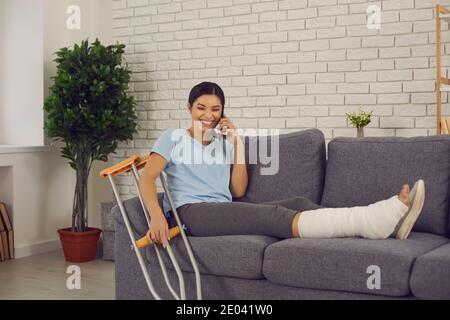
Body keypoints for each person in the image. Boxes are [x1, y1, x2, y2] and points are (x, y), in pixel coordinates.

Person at [139, 82, 425, 248]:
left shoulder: (223, 144)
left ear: (222, 112)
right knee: (272, 215)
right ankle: (372, 222)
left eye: (215, 109)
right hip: (191, 214)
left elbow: (237, 190)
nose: (208, 115)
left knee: (299, 201)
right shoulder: (173, 138)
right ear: (189, 108)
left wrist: (236, 141)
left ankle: (378, 222)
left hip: (221, 208)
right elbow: (148, 179)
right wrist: (156, 216)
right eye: (201, 107)